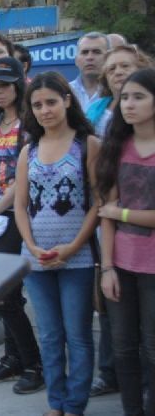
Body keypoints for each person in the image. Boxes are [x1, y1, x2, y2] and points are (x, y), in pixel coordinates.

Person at [14, 72, 101, 416]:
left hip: (76, 259)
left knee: (77, 334)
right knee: (49, 336)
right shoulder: (28, 151)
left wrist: (75, 245)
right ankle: (56, 402)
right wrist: (32, 246)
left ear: (67, 100)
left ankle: (75, 404)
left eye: (51, 102)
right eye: (37, 105)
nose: (45, 110)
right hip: (36, 260)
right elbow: (20, 205)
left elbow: (97, 202)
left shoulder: (87, 145)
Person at [0, 57, 45, 394]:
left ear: (19, 86)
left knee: (7, 296)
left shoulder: (30, 127)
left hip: (15, 215)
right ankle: (13, 357)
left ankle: (33, 363)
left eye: (4, 85)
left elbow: (25, 175)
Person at [96, 68, 155, 416]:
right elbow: (104, 211)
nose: (129, 104)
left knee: (152, 347)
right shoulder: (117, 147)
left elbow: (113, 212)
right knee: (123, 348)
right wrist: (106, 267)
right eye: (126, 98)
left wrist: (124, 215)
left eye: (139, 97)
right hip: (120, 264)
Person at [86, 46, 153, 138]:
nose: (118, 72)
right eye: (112, 69)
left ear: (141, 70)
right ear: (105, 77)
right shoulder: (94, 107)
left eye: (125, 66)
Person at [70, 32, 110, 111]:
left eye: (96, 52)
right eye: (85, 52)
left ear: (109, 58)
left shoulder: (116, 92)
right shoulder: (65, 91)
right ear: (76, 60)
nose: (90, 57)